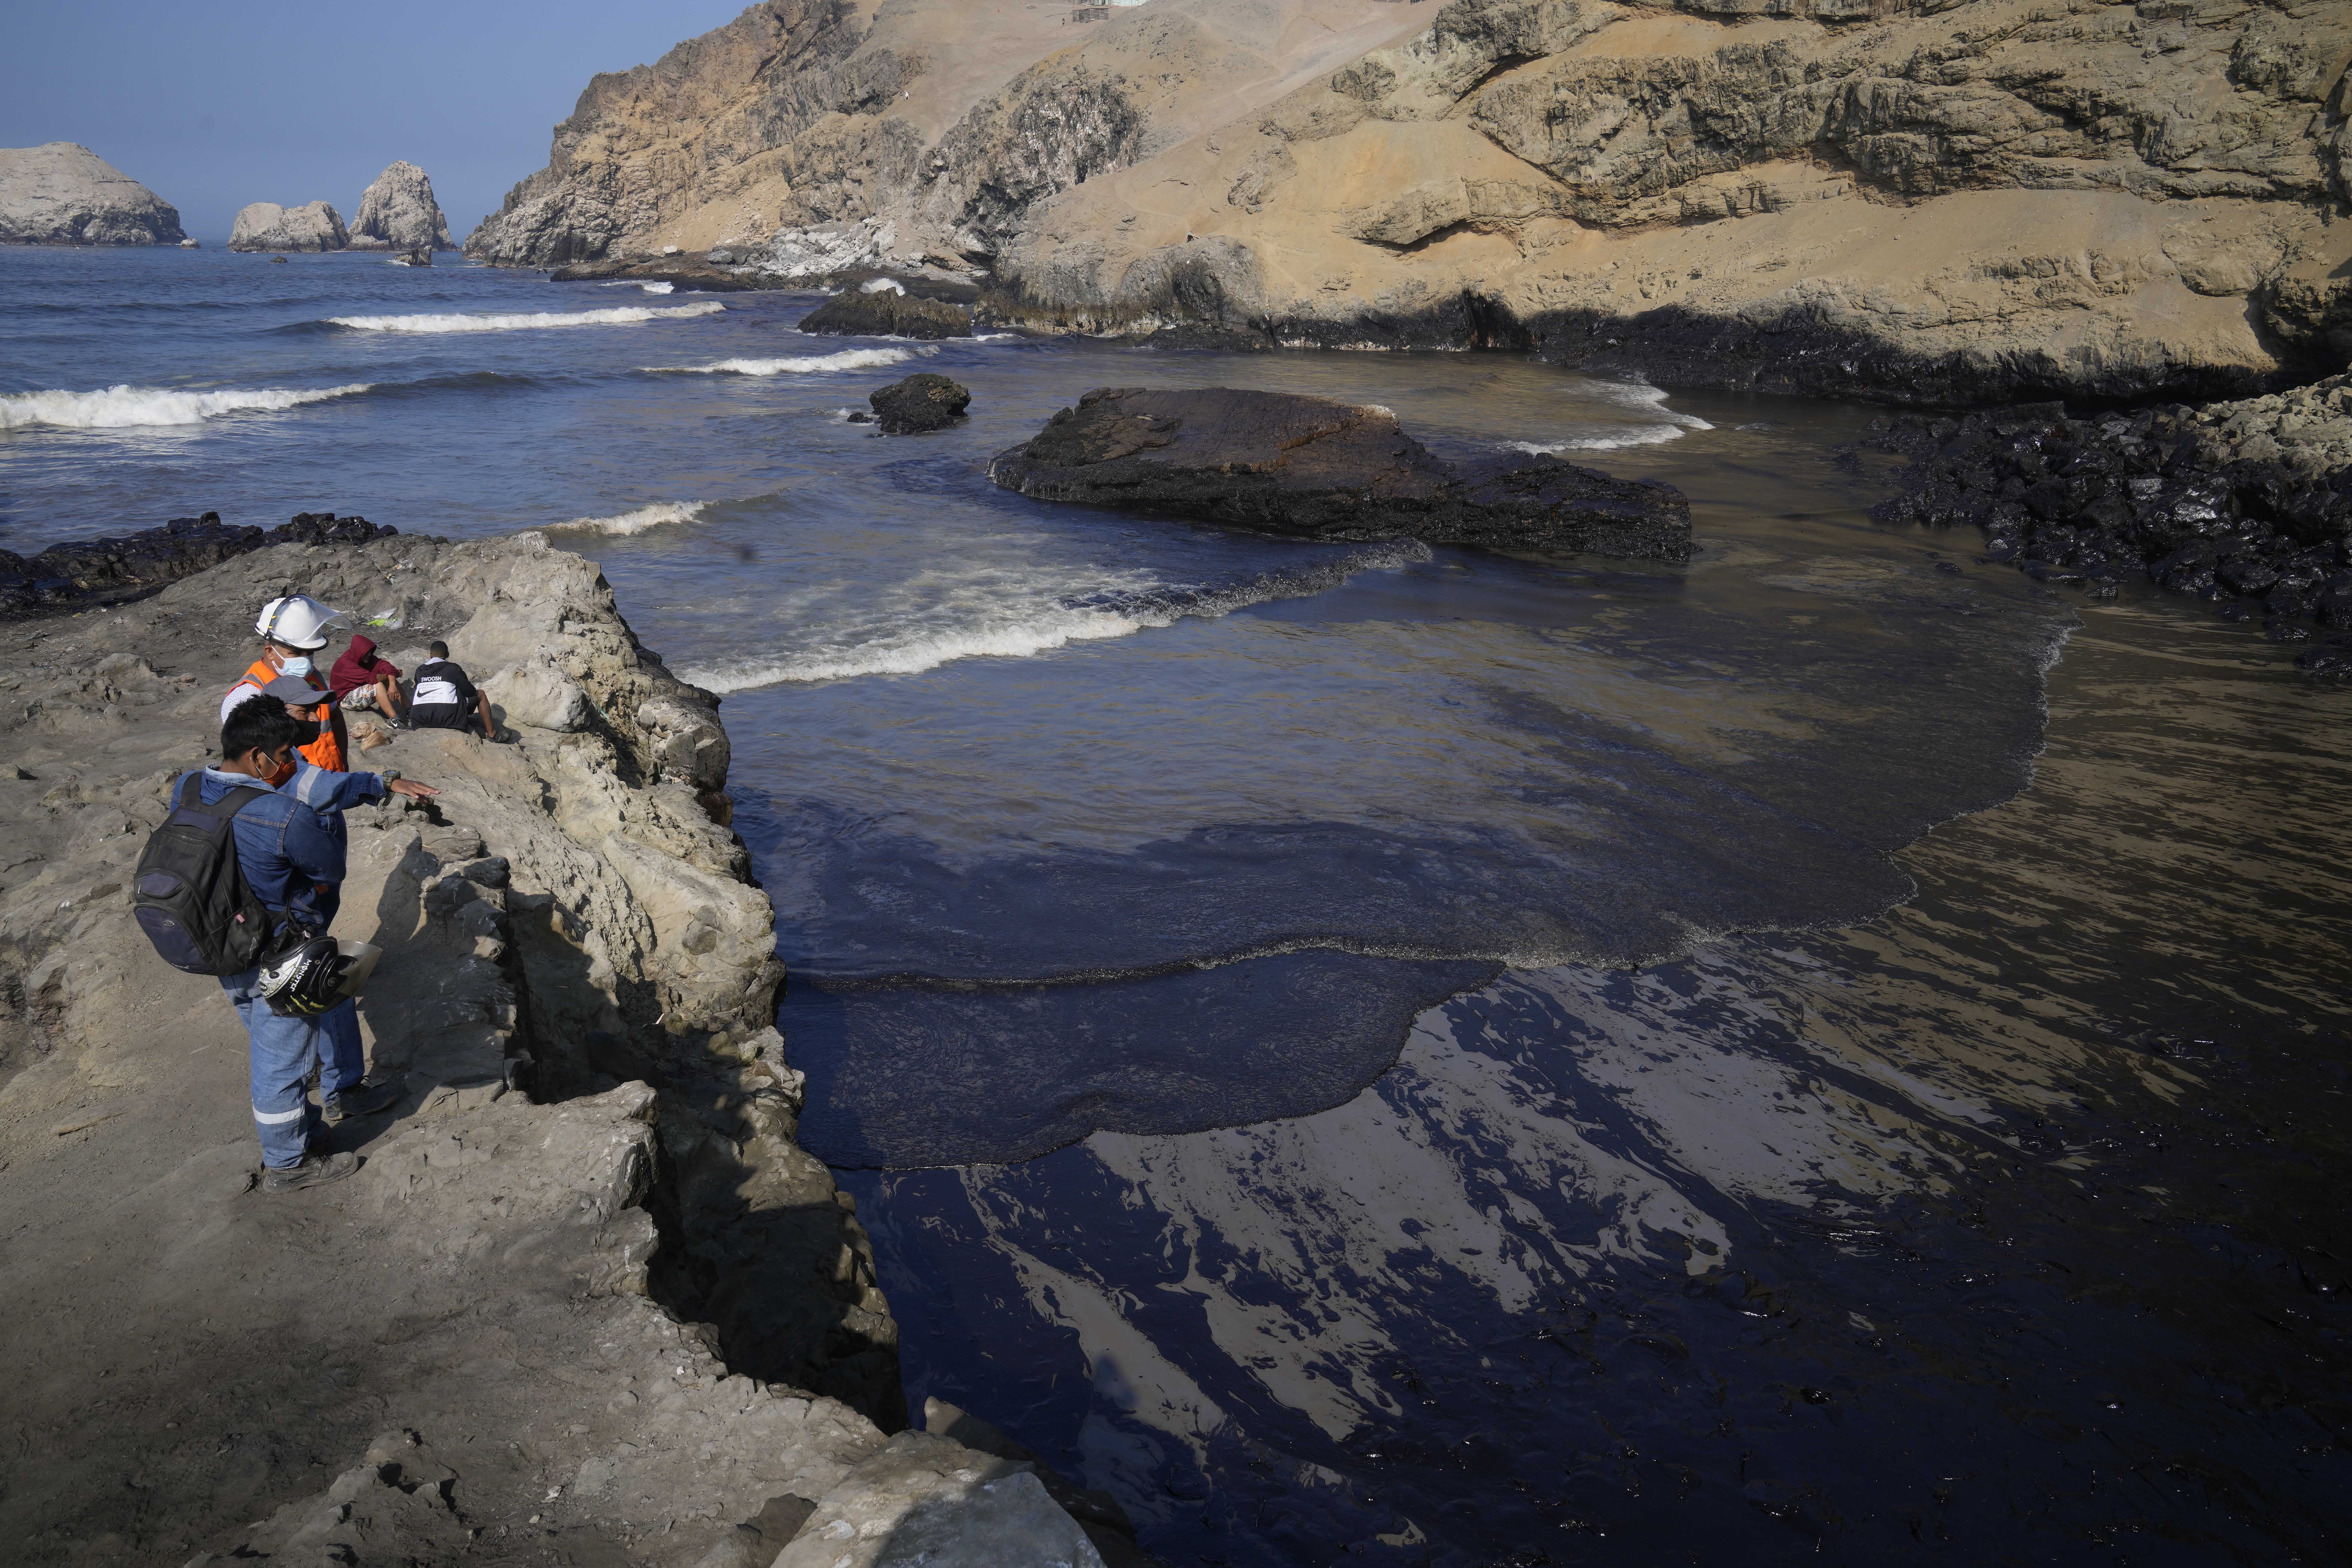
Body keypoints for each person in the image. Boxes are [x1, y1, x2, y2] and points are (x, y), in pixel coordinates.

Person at [196, 694, 440, 1192]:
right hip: (278, 951)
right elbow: (329, 868)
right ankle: (288, 1165)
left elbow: (315, 783)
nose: (289, 763)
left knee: (273, 1048)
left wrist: (379, 783)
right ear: (256, 757)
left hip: (223, 942)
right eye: (283, 755)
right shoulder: (277, 816)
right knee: (282, 1062)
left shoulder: (191, 787)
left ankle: (305, 1131)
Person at [222, 595, 350, 779]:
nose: (305, 660)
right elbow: (246, 761)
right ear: (270, 652)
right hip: (291, 791)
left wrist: (343, 766)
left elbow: (334, 717)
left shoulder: (313, 676)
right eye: (296, 653)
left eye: (310, 653)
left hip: (331, 778)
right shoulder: (247, 695)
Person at [408, 641, 498, 739]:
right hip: (449, 719)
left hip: (420, 720)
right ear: (448, 655)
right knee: (481, 694)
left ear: (431, 655)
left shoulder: (420, 671)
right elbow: (469, 692)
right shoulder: (453, 668)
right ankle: (492, 734)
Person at [329, 633, 406, 727]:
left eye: (370, 652)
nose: (369, 655)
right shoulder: (346, 664)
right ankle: (396, 721)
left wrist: (392, 683)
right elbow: (373, 678)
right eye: (367, 653)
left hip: (360, 690)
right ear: (359, 652)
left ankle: (410, 710)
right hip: (345, 699)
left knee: (390, 679)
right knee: (378, 685)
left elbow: (384, 665)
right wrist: (393, 674)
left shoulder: (366, 658)